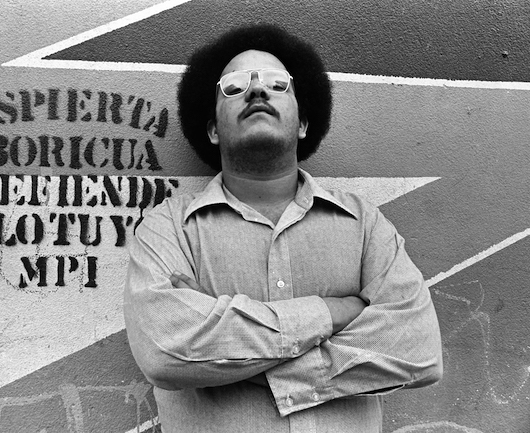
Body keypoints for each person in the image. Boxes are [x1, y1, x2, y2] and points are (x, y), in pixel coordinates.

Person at [123, 23, 443, 432]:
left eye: (278, 84)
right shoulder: (169, 228)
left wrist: (232, 353)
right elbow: (165, 352)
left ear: (303, 123)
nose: (257, 90)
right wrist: (333, 312)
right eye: (234, 86)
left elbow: (418, 349)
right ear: (213, 129)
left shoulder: (363, 223)